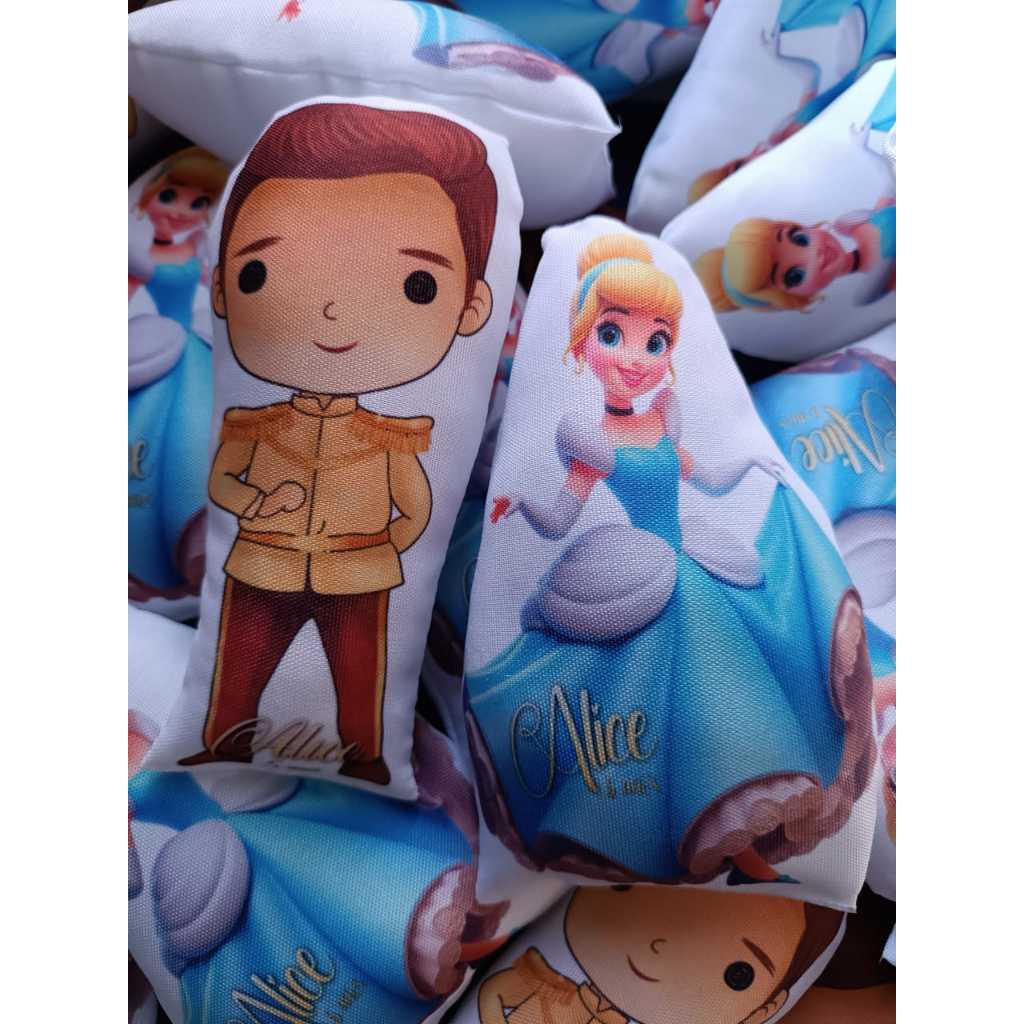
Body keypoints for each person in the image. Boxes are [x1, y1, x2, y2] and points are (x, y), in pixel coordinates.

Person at [466, 234, 874, 884]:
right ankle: (724, 848)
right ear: (581, 343)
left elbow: (704, 479)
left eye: (655, 341)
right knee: (697, 700)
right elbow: (564, 516)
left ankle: (749, 851)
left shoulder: (662, 420)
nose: (635, 358)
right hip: (643, 573)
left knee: (733, 689)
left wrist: (754, 467)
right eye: (612, 334)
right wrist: (521, 508)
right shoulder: (591, 440)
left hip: (689, 559)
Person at [178, 102, 497, 785]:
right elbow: (224, 480)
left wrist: (383, 545)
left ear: (471, 307)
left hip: (359, 571)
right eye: (261, 274)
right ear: (223, 290)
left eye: (416, 285)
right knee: (242, 656)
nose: (331, 312)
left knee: (360, 667)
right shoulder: (256, 423)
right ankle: (223, 737)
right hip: (262, 561)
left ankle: (363, 754)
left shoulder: (390, 434)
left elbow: (416, 504)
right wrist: (253, 504)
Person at [478, 886, 843, 1024]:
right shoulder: (545, 984)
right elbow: (496, 993)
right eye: (624, 889)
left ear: (764, 1010)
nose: (659, 947)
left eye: (738, 974)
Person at [694, 202, 894, 314]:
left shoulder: (849, 225)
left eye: (799, 239)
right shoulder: (873, 286)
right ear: (794, 298)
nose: (815, 253)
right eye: (795, 276)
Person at [128, 147, 227, 331]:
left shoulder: (193, 245)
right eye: (168, 197)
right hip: (164, 336)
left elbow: (216, 285)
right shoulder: (141, 260)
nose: (181, 212)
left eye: (198, 203)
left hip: (196, 334)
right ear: (149, 194)